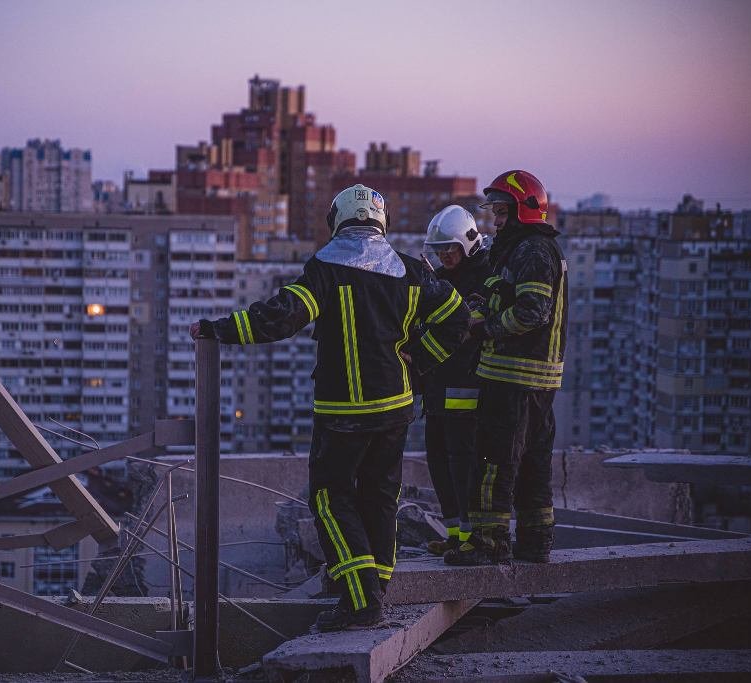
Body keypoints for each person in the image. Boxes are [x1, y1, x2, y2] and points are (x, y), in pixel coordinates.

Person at [190, 184, 469, 630]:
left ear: (337, 220)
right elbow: (457, 317)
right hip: (396, 407)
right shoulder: (411, 271)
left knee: (330, 498)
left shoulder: (325, 268)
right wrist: (420, 365)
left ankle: (360, 603)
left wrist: (217, 328)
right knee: (379, 496)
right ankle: (375, 586)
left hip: (344, 412)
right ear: (382, 221)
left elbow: (280, 318)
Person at [443, 170, 568, 566]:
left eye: (500, 212)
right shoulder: (519, 249)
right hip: (533, 380)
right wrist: (469, 314)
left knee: (493, 461)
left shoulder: (531, 251)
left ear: (522, 210)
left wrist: (486, 330)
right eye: (493, 212)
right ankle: (535, 542)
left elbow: (532, 311)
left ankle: (488, 543)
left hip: (514, 376)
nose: (494, 221)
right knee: (533, 463)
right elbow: (494, 296)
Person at [418, 206, 489, 556]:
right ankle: (455, 538)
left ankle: (471, 540)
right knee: (439, 461)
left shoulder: (482, 276)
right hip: (437, 387)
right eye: (439, 249)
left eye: (451, 247)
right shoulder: (445, 278)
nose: (445, 254)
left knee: (464, 464)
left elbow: (464, 327)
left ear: (468, 244)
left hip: (466, 387)